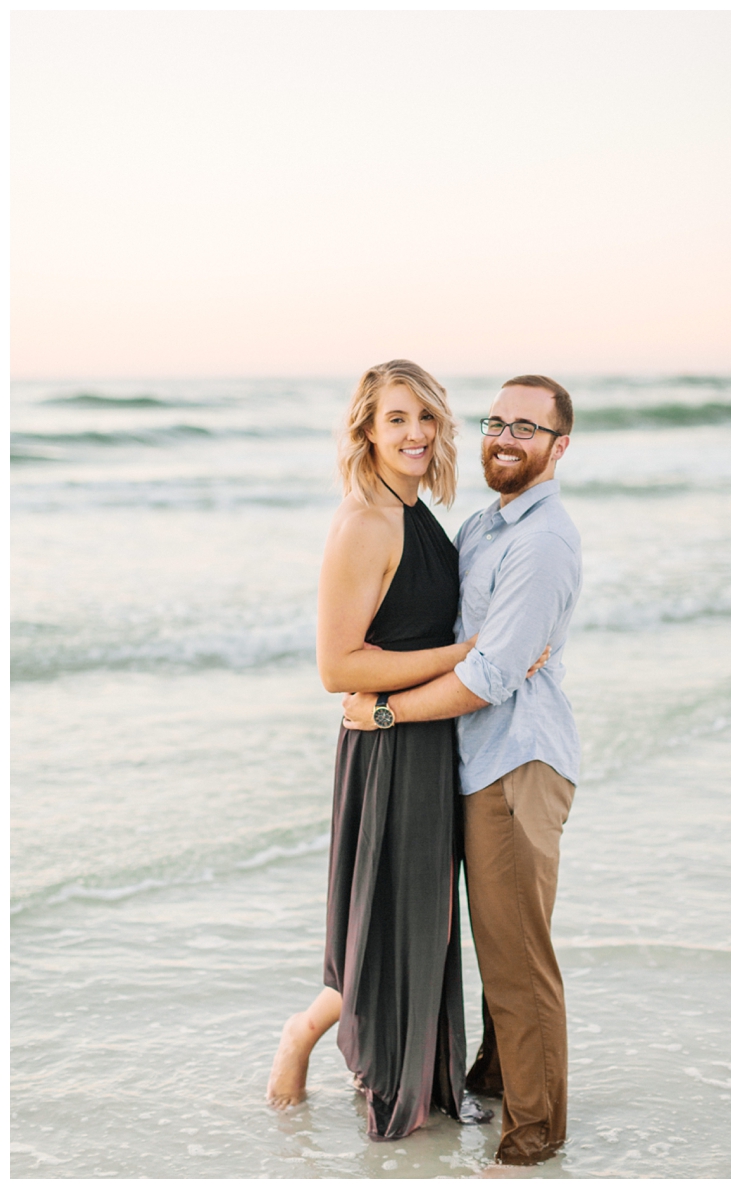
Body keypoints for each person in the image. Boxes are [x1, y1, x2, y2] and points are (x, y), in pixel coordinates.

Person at [266, 360, 547, 1139]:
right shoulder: (366, 519)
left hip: (427, 734)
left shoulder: (414, 508)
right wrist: (470, 652)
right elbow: (338, 666)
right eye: (397, 419)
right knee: (384, 921)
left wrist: (508, 643)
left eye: (426, 416)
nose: (415, 433)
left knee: (417, 919)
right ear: (367, 429)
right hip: (386, 744)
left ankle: (413, 1083)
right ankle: (304, 1034)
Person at [342, 374, 581, 1166]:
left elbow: (488, 675)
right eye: (497, 422)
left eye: (528, 428)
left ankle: (534, 1137)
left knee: (516, 958)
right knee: (496, 946)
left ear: (559, 445)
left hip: (517, 761)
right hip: (478, 760)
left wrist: (384, 711)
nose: (506, 437)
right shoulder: (483, 526)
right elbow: (456, 638)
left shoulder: (541, 540)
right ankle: (498, 1082)